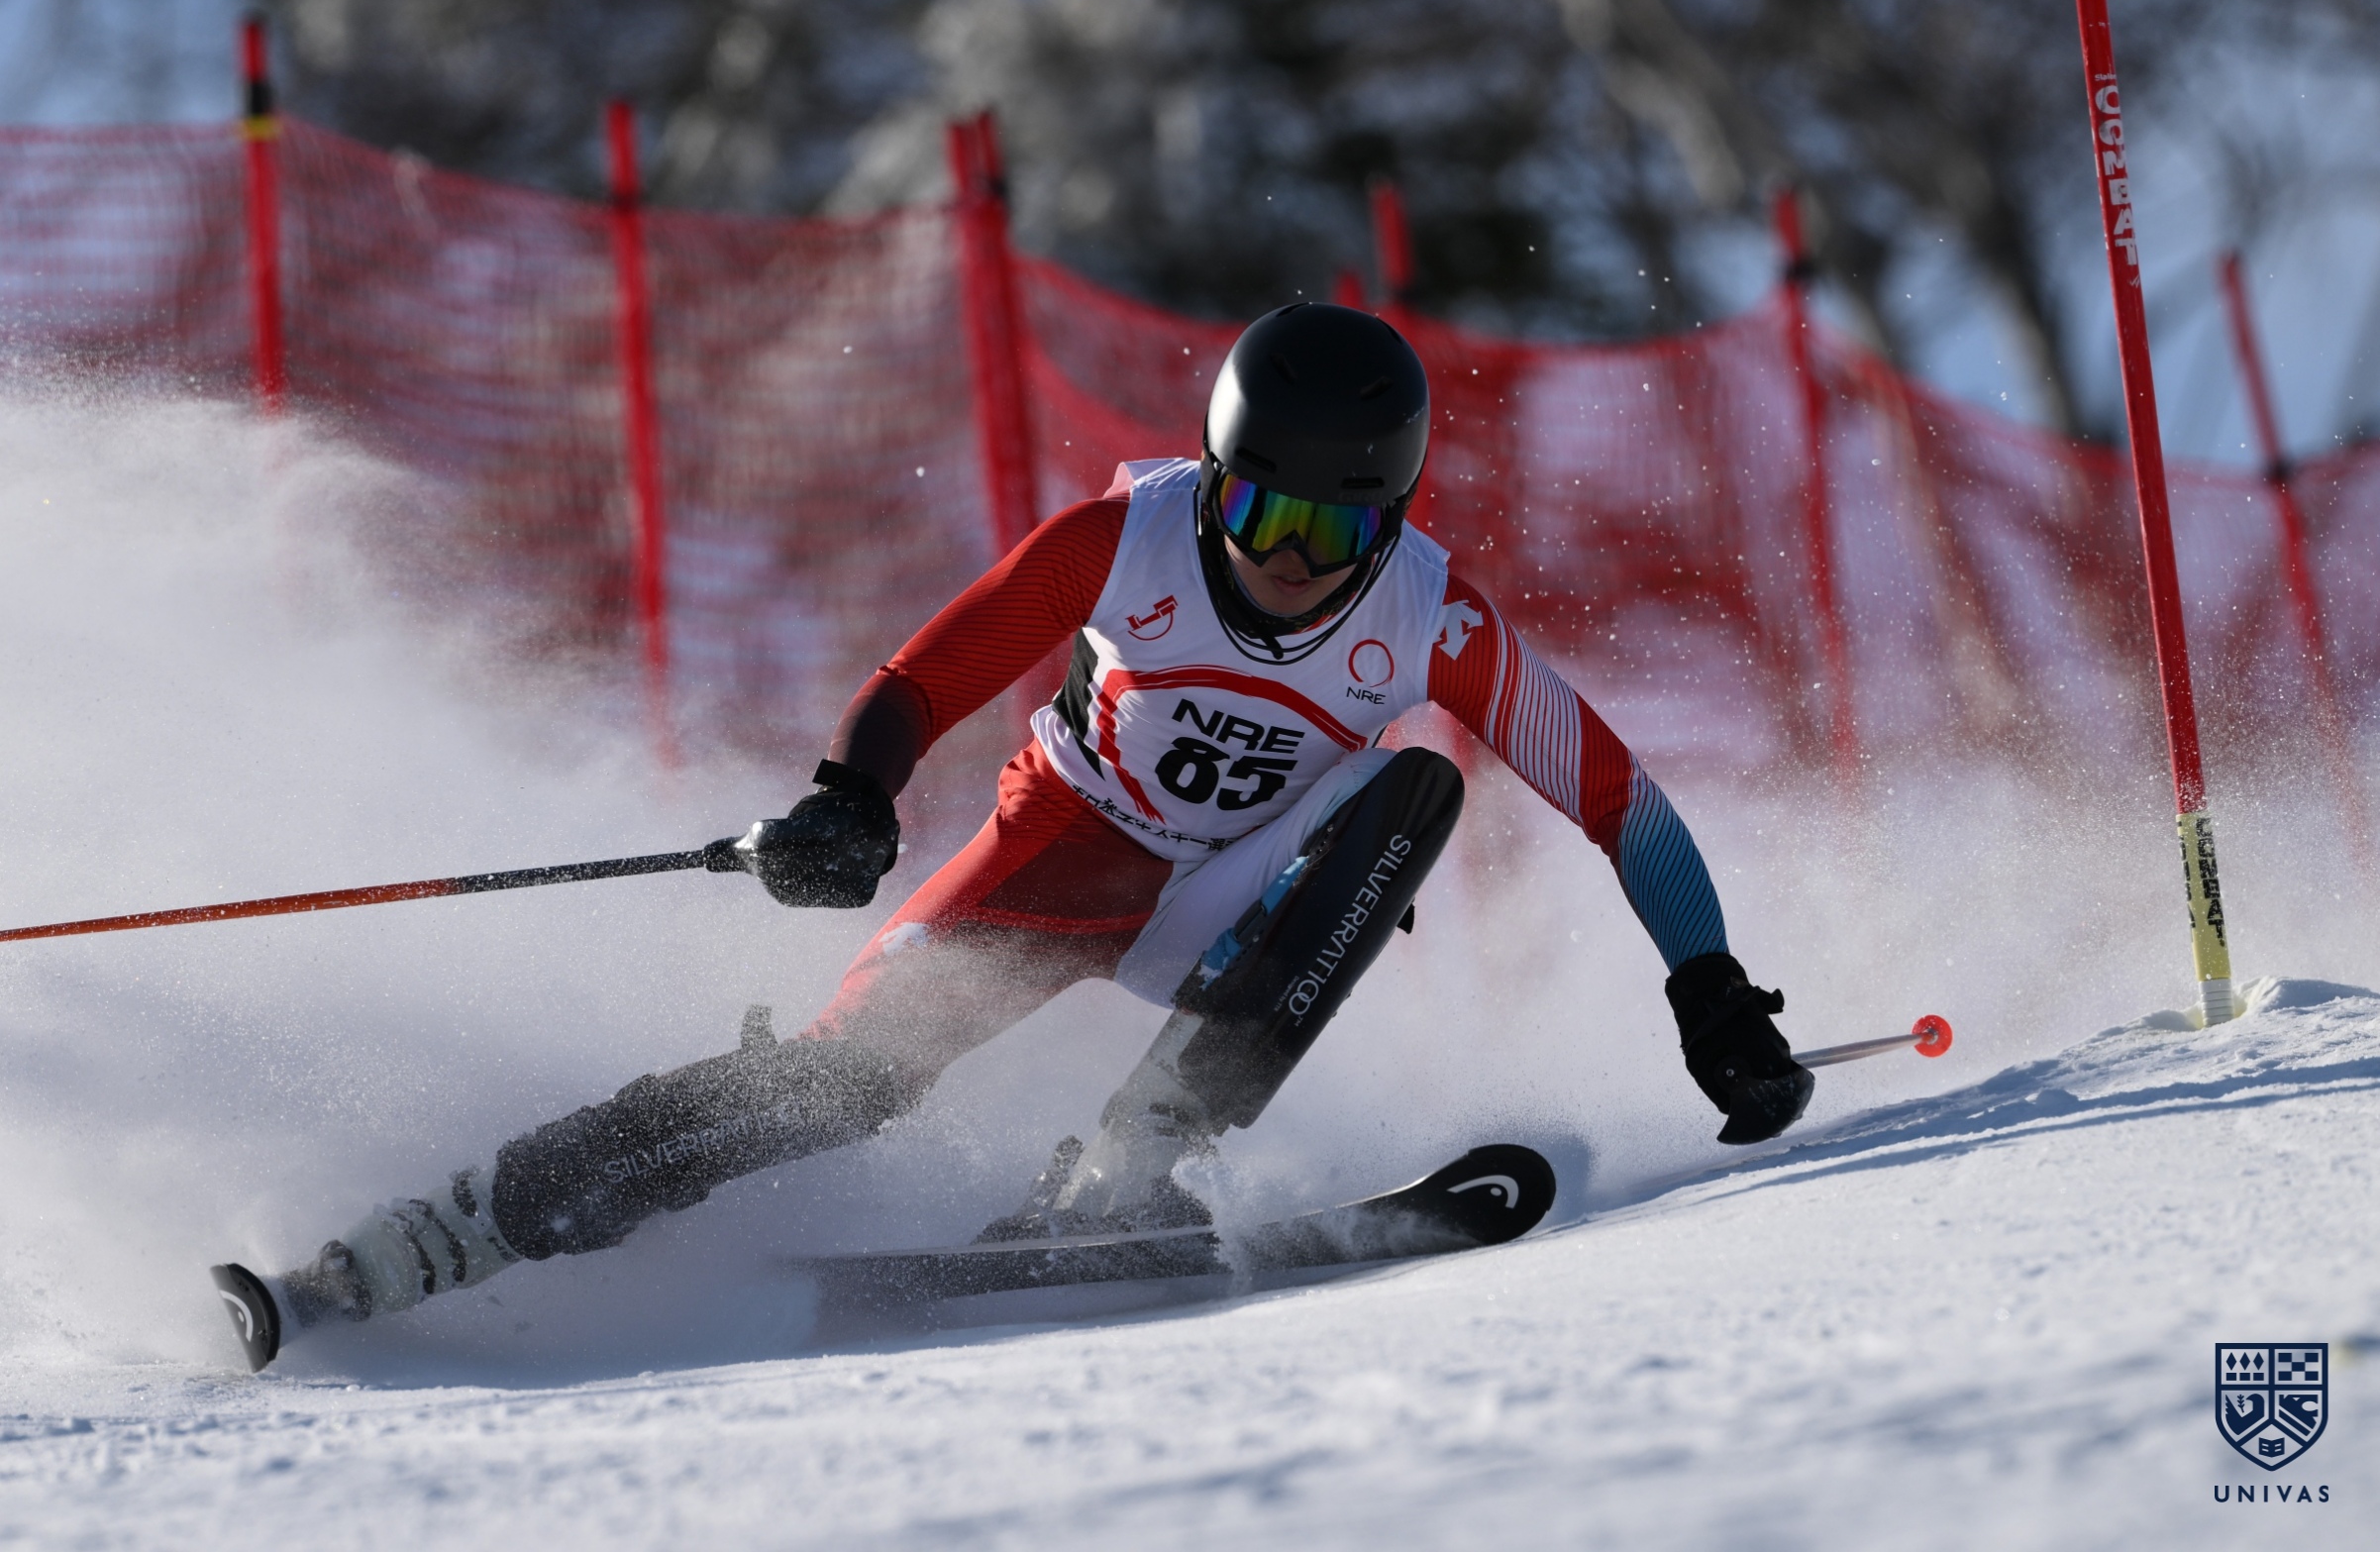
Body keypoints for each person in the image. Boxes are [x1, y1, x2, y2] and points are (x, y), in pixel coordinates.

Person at [210, 303, 1809, 1370]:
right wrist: (852, 798)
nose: (1285, 562)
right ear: (1215, 484)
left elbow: (1622, 800)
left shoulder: (1430, 618)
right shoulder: (1125, 537)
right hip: (1059, 854)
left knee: (1415, 792)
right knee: (833, 1087)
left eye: (1331, 531)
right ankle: (414, 1252)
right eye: (1259, 512)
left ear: (1387, 522)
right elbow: (921, 679)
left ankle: (1133, 1168)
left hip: (1238, 899)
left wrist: (1710, 989)